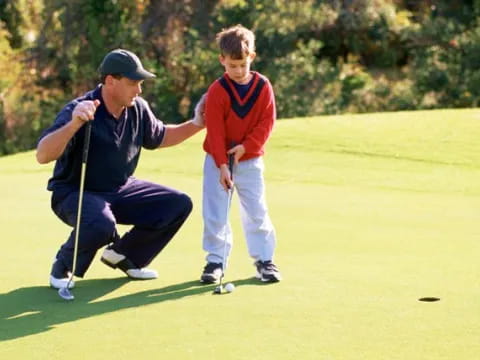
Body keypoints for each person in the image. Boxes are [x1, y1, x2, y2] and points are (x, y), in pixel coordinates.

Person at [36, 49, 205, 289]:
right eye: (133, 83)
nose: (139, 89)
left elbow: (161, 136)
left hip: (120, 189)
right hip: (75, 193)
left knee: (177, 204)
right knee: (101, 224)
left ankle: (125, 255)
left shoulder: (137, 108)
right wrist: (75, 124)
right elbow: (43, 155)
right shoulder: (81, 108)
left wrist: (198, 123)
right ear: (110, 81)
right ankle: (63, 266)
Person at [199, 25, 282, 284]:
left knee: (256, 210)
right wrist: (222, 164)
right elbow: (214, 129)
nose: (237, 71)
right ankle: (216, 261)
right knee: (215, 212)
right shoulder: (217, 90)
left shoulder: (263, 86)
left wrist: (246, 146)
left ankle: (264, 260)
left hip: (250, 160)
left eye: (242, 65)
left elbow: (267, 122)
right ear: (221, 60)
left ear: (252, 58)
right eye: (232, 65)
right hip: (217, 160)